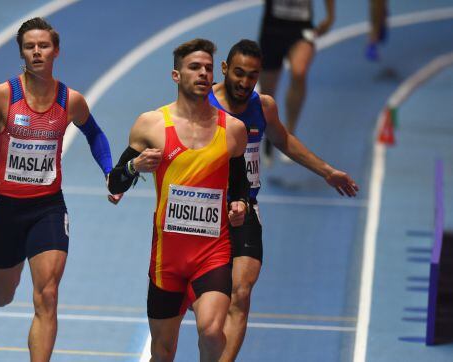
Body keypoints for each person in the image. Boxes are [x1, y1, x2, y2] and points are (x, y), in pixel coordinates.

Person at [0, 17, 117, 361]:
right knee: (2, 295)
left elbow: (95, 135)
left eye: (43, 46)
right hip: (5, 210)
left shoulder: (70, 100)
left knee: (46, 294)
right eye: (29, 46)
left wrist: (109, 171)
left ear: (55, 51)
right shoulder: (3, 96)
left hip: (47, 208)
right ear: (22, 52)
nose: (36, 52)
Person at [204, 39, 359, 361]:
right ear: (224, 70)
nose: (245, 83)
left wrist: (326, 171)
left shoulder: (263, 107)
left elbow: (284, 140)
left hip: (244, 208)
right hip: (203, 211)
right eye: (239, 74)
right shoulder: (201, 104)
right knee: (200, 305)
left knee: (241, 294)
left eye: (252, 75)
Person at [108, 38, 250, 362]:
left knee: (212, 333)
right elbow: (115, 182)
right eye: (194, 67)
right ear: (176, 75)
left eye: (208, 69)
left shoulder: (233, 130)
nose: (203, 73)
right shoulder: (152, 125)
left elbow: (240, 185)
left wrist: (239, 204)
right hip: (167, 259)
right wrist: (134, 166)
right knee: (163, 350)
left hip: (212, 253)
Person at [258, 0, 334, 162]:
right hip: (272, 29)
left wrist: (330, 16)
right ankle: (270, 135)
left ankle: (290, 134)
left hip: (302, 30)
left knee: (299, 72)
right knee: (267, 92)